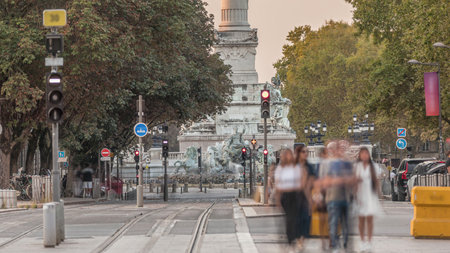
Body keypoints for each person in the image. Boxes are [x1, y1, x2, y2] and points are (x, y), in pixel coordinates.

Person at [322, 140, 356, 253]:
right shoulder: (328, 163)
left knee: (346, 224)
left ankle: (346, 245)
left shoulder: (346, 163)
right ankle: (335, 245)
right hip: (332, 198)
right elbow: (324, 181)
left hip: (346, 198)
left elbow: (353, 179)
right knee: (334, 223)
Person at [354, 147, 383, 252]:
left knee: (370, 219)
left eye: (366, 153)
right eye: (363, 154)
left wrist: (380, 195)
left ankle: (369, 242)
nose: (365, 155)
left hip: (370, 195)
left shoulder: (373, 166)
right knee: (361, 220)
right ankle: (362, 242)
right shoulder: (356, 166)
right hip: (360, 195)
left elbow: (377, 181)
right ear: (359, 155)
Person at [274, 149, 300, 252]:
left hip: (295, 194)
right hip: (285, 195)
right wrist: (277, 200)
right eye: (286, 155)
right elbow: (278, 184)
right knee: (289, 219)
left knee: (294, 219)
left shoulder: (296, 167)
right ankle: (290, 240)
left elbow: (299, 182)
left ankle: (293, 238)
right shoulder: (280, 169)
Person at [293, 145, 315, 251]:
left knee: (306, 219)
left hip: (305, 195)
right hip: (295, 196)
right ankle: (298, 240)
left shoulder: (309, 167)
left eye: (306, 152)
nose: (305, 153)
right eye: (303, 152)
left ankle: (301, 240)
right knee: (297, 220)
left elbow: (311, 184)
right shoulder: (293, 166)